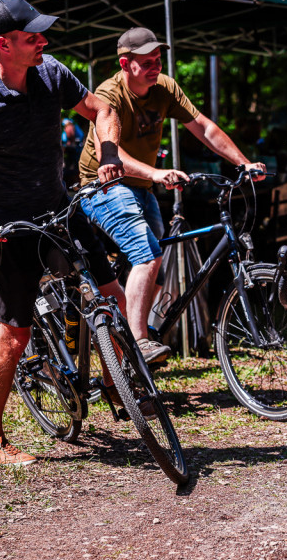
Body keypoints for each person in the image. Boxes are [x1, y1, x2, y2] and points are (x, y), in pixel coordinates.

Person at [0, 0, 128, 466]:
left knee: (111, 294)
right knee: (13, 335)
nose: (44, 42)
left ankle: (118, 383)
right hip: (7, 228)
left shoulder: (51, 73)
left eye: (42, 35)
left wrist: (110, 153)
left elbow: (103, 109)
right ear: (3, 44)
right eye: (32, 37)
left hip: (59, 208)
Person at [77, 27, 265, 364]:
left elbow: (204, 127)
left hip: (141, 187)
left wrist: (244, 163)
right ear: (125, 63)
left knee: (153, 258)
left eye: (157, 60)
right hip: (103, 185)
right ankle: (139, 342)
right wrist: (157, 173)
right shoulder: (109, 95)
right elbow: (113, 152)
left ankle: (121, 323)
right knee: (147, 254)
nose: (155, 67)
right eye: (146, 62)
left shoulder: (165, 88)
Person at [61, 117, 85, 186]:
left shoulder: (78, 132)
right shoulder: (64, 135)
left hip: (77, 150)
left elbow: (81, 140)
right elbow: (64, 146)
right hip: (70, 152)